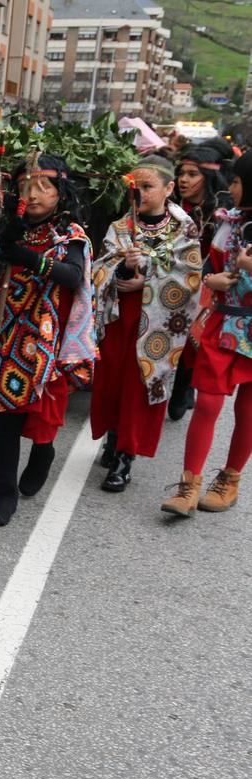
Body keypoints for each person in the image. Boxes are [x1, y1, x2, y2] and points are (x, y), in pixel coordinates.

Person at [0, 154, 96, 527]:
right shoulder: (10, 226)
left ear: (60, 193)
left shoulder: (71, 234)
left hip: (49, 340)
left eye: (43, 187)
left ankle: (44, 453)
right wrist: (3, 248)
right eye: (26, 186)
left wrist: (29, 258)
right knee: (8, 416)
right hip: (9, 333)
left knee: (45, 415)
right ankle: (4, 490)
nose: (32, 194)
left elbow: (72, 276)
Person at [89, 157, 202, 494]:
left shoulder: (185, 230)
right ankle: (114, 436)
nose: (140, 193)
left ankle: (125, 457)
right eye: (136, 187)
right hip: (120, 317)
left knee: (139, 383)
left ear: (169, 188)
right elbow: (100, 268)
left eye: (149, 186)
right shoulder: (120, 227)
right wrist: (120, 270)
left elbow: (190, 276)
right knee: (113, 379)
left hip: (158, 324)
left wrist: (147, 276)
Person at [161, 151, 252, 518]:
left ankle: (230, 480)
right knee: (210, 402)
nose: (230, 189)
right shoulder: (229, 223)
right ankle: (188, 486)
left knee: (248, 407)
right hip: (224, 323)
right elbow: (210, 268)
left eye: (236, 182)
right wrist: (212, 282)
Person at [170, 143, 229, 421]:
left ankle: (183, 386)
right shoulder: (169, 205)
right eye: (182, 173)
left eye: (192, 174)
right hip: (168, 278)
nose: (184, 179)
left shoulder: (221, 213)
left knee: (191, 341)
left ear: (208, 176)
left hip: (203, 285)